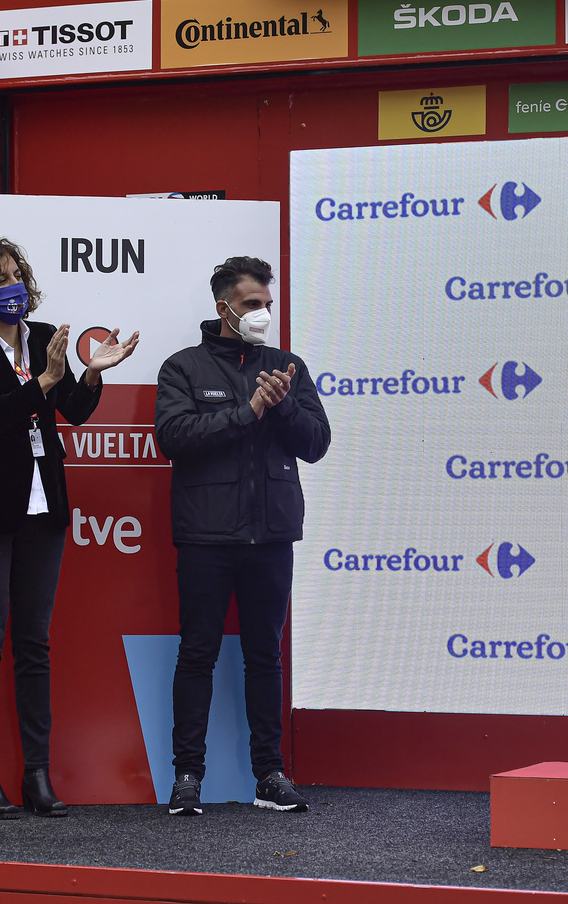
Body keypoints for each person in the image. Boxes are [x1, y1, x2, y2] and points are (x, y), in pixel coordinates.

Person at [0, 238, 138, 818]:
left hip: (42, 510)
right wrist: (44, 381)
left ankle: (36, 775)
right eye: (2, 277)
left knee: (33, 643)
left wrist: (91, 373)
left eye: (18, 274)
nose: (15, 286)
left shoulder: (44, 334)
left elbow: (73, 410)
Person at [154, 256, 330, 815]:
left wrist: (280, 407)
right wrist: (248, 411)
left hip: (271, 536)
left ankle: (270, 775)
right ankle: (187, 776)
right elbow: (174, 437)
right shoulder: (183, 367)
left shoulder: (287, 367)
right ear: (224, 306)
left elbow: (317, 443)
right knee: (197, 654)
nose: (263, 314)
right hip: (206, 535)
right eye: (253, 304)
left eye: (267, 304)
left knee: (264, 657)